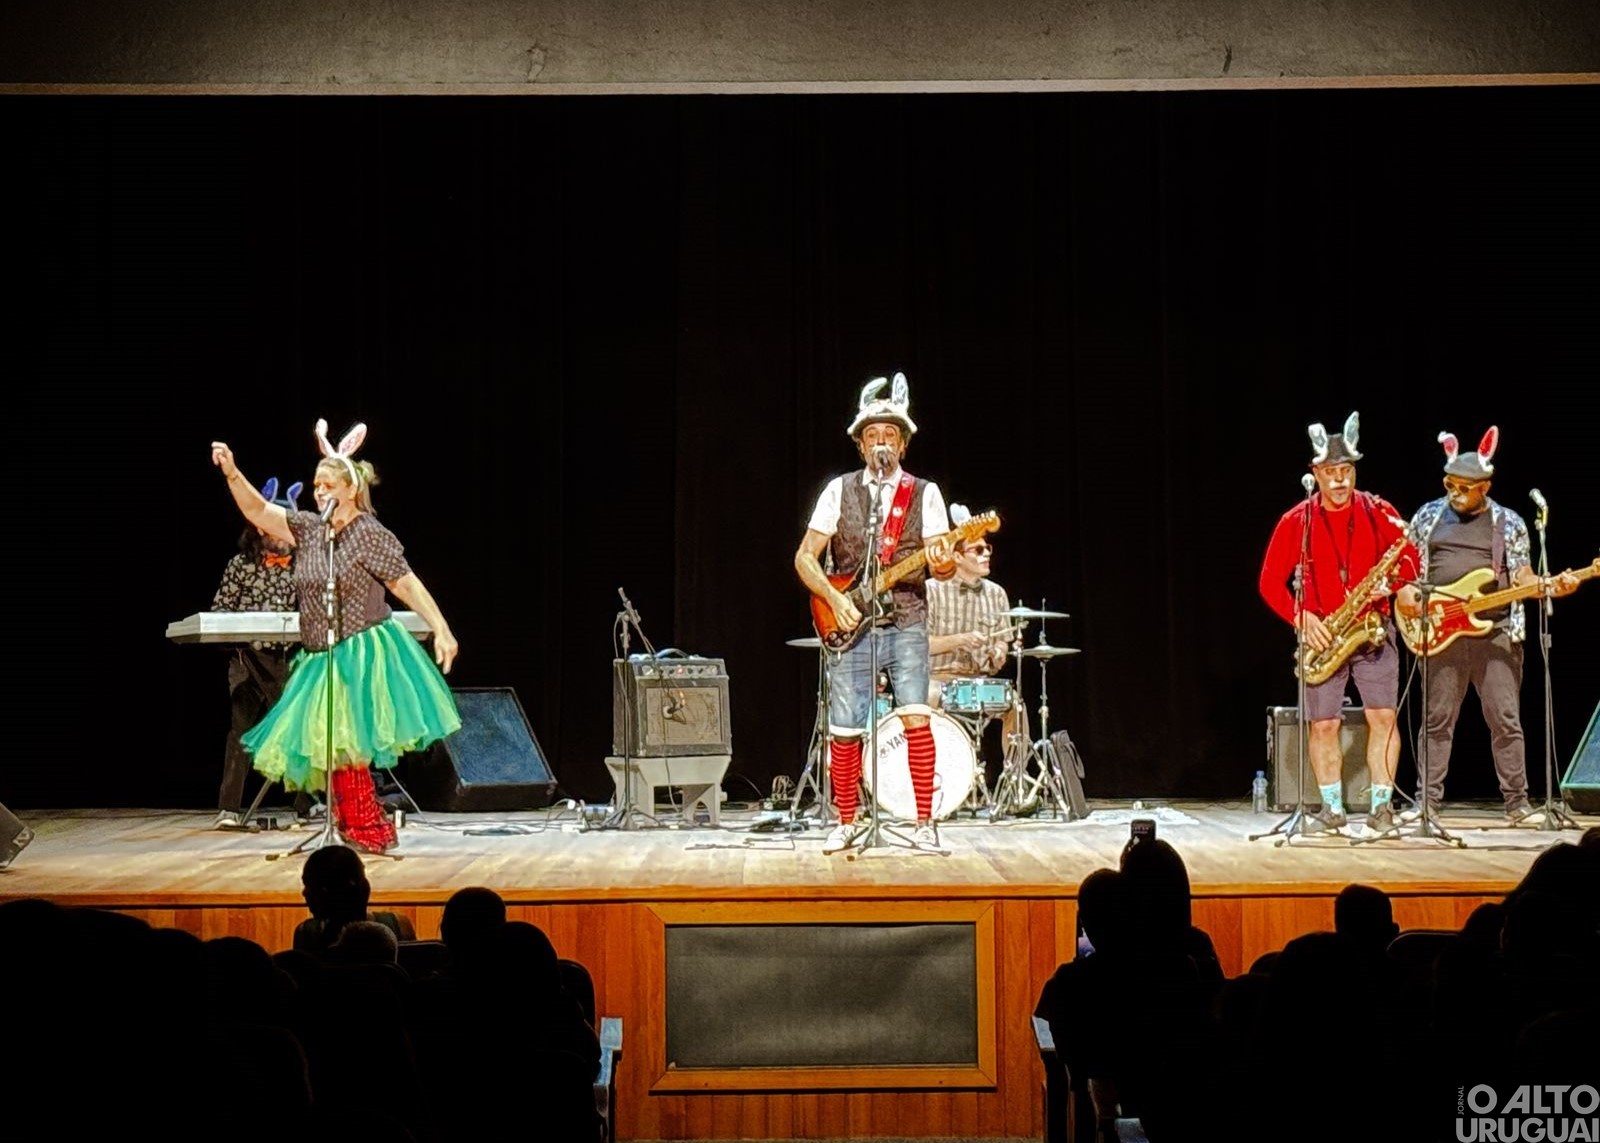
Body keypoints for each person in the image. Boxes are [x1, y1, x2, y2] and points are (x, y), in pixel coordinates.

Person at [211, 418, 461, 853]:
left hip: (362, 650)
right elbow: (257, 511)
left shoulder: (368, 533)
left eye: (328, 485)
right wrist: (233, 473)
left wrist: (440, 626)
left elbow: (404, 582)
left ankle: (367, 825)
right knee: (330, 745)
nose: (319, 492)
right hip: (320, 653)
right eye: (316, 485)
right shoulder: (308, 530)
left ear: (349, 489)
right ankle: (353, 824)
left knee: (347, 744)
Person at [794, 372, 956, 852]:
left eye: (890, 436)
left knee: (915, 717)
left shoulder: (925, 494)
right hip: (849, 624)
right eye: (872, 436)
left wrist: (944, 563)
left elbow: (940, 566)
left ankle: (924, 823)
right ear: (860, 446)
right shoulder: (837, 491)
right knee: (844, 726)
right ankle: (847, 819)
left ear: (902, 446)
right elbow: (805, 557)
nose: (881, 443)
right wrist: (837, 597)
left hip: (906, 619)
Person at [1394, 427, 1578, 824]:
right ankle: (1426, 804)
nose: (1456, 492)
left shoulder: (1508, 523)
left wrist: (1550, 587)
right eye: (1451, 484)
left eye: (1465, 487)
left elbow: (1526, 576)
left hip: (1495, 633)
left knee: (1505, 718)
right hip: (1440, 629)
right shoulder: (1428, 515)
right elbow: (1407, 570)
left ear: (1485, 486)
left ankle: (1517, 804)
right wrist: (1405, 593)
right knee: (1437, 720)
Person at [1258, 412, 1418, 833]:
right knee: (1324, 723)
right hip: (1324, 636)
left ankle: (1382, 807)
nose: (1340, 480)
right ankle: (1332, 809)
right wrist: (1300, 616)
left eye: (1346, 470)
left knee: (1383, 717)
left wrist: (1393, 584)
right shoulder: (1298, 519)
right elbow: (1269, 581)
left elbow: (1409, 560)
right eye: (1331, 472)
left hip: (1372, 629)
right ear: (1315, 474)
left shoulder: (1379, 511)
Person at [210, 475, 302, 828]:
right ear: (262, 529)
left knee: (300, 728)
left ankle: (305, 804)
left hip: (289, 659)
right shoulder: (240, 566)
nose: (288, 538)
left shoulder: (299, 567)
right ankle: (229, 809)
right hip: (248, 659)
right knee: (241, 732)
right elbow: (220, 613)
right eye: (281, 530)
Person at [925, 504, 1021, 772]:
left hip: (977, 681)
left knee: (1016, 706)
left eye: (987, 549)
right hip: (937, 680)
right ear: (956, 557)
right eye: (977, 550)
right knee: (927, 699)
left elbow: (1003, 639)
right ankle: (934, 779)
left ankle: (1014, 782)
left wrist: (999, 652)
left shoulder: (997, 594)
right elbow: (919, 646)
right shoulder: (931, 591)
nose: (985, 555)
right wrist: (960, 640)